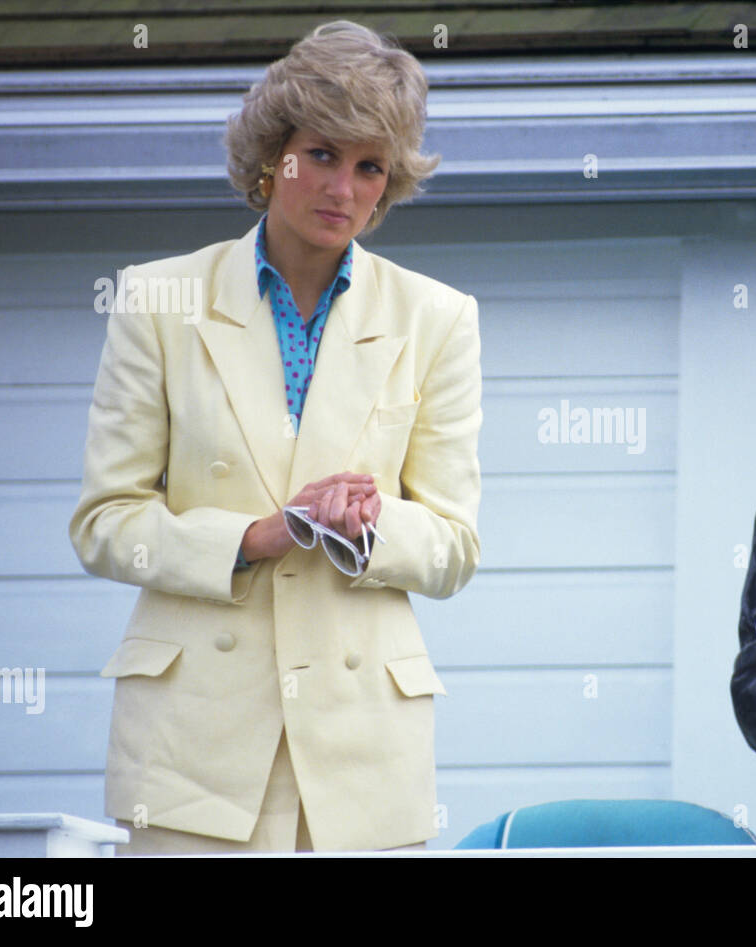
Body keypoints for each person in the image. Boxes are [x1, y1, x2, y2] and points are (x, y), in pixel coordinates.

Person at [69, 21, 482, 853]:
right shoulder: (157, 300)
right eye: (322, 153)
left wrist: (368, 528)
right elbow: (105, 522)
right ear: (272, 159)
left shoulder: (438, 318)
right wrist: (252, 538)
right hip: (193, 759)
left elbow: (453, 543)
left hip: (364, 760)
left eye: (371, 167)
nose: (344, 186)